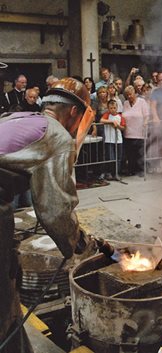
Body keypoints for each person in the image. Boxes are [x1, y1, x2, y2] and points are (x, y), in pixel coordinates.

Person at [0, 77, 93, 353]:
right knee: (3, 302)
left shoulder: (16, 117)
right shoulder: (57, 135)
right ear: (75, 113)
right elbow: (54, 211)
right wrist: (77, 243)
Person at [122, 85, 149, 177]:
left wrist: (145, 123)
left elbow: (146, 115)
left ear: (135, 93)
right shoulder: (125, 103)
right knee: (130, 153)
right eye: (127, 95)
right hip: (128, 132)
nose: (129, 96)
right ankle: (131, 169)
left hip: (139, 131)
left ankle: (141, 170)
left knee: (140, 152)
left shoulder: (142, 102)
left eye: (130, 94)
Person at [100, 99, 126, 180]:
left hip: (118, 140)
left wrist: (117, 126)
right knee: (110, 157)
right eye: (111, 108)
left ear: (117, 107)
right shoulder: (107, 115)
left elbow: (123, 128)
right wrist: (111, 122)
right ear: (108, 108)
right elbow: (101, 120)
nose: (113, 110)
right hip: (109, 140)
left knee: (118, 158)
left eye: (114, 108)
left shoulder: (120, 116)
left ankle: (116, 173)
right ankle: (109, 173)